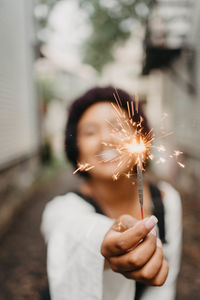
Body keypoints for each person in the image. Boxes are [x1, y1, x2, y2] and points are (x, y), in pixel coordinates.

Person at [41, 87, 182, 300]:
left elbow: (164, 286)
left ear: (139, 138)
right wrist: (105, 239)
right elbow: (71, 231)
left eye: (117, 127)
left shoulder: (167, 200)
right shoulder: (62, 208)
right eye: (90, 132)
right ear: (76, 151)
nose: (105, 138)